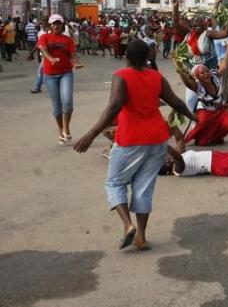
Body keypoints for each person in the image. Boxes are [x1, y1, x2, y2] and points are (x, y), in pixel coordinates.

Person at [73, 39, 197, 251]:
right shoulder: (156, 77)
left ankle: (128, 225)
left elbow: (114, 106)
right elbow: (175, 102)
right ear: (147, 57)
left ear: (126, 56)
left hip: (131, 139)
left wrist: (91, 134)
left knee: (114, 182)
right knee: (143, 187)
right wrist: (193, 116)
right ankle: (141, 237)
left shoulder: (121, 76)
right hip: (157, 139)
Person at [175, 44, 228, 146]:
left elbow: (224, 66)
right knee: (202, 142)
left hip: (220, 110)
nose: (206, 74)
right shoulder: (197, 86)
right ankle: (201, 137)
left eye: (206, 71)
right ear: (198, 77)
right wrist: (179, 67)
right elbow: (187, 82)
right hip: (206, 112)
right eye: (202, 73)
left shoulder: (214, 76)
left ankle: (216, 138)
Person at [38, 14, 83, 144]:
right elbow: (44, 51)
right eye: (54, 23)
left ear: (62, 25)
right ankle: (61, 129)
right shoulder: (44, 37)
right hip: (50, 75)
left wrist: (75, 63)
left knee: (68, 101)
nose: (56, 25)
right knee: (57, 106)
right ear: (50, 25)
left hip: (66, 73)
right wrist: (50, 59)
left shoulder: (67, 39)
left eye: (58, 23)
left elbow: (73, 54)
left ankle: (66, 128)